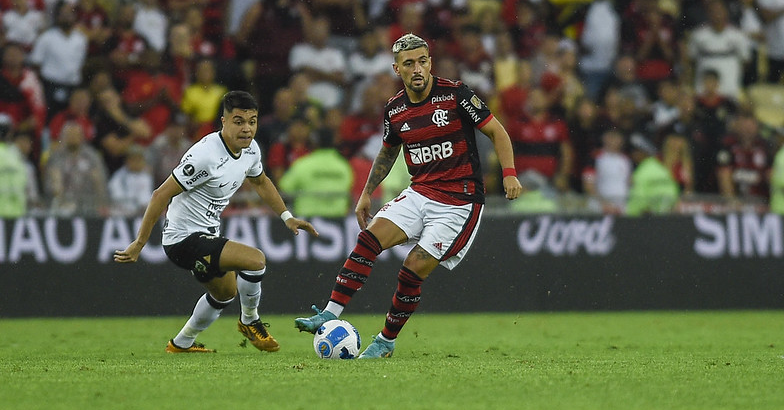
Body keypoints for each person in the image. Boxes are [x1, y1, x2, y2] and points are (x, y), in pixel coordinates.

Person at [294, 33, 522, 358]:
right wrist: (366, 194)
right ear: (396, 69)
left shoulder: (456, 94)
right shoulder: (395, 109)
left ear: (430, 62)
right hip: (420, 193)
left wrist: (509, 173)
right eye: (409, 63)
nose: (418, 69)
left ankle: (386, 340)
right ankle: (330, 313)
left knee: (411, 269)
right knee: (368, 240)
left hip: (459, 202)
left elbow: (496, 131)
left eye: (423, 61)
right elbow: (387, 154)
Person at [114, 91, 318, 353]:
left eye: (252, 121)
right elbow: (159, 195)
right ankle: (249, 321)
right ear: (224, 121)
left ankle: (181, 343)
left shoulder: (251, 149)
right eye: (239, 121)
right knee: (255, 261)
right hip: (183, 240)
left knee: (225, 294)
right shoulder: (204, 156)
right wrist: (139, 243)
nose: (247, 129)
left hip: (207, 235)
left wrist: (287, 217)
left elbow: (260, 182)